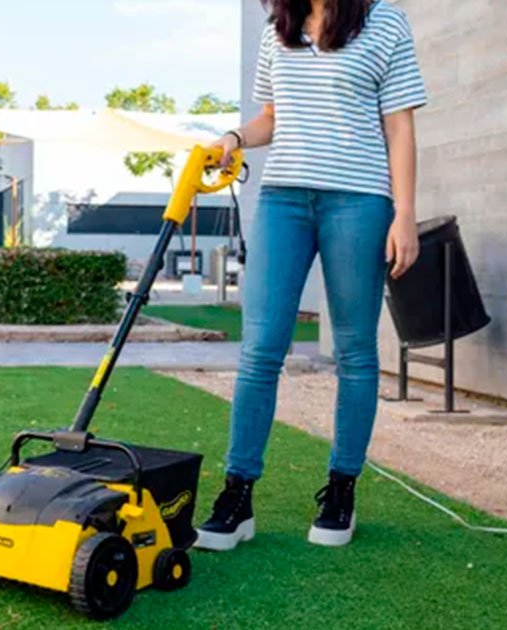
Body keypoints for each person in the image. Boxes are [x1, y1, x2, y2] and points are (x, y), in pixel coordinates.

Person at [196, 0, 427, 550]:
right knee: (260, 348)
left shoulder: (385, 21)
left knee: (354, 351)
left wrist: (405, 213)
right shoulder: (281, 28)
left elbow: (399, 127)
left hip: (360, 201)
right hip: (282, 200)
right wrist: (232, 138)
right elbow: (272, 118)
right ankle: (237, 495)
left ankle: (341, 489)